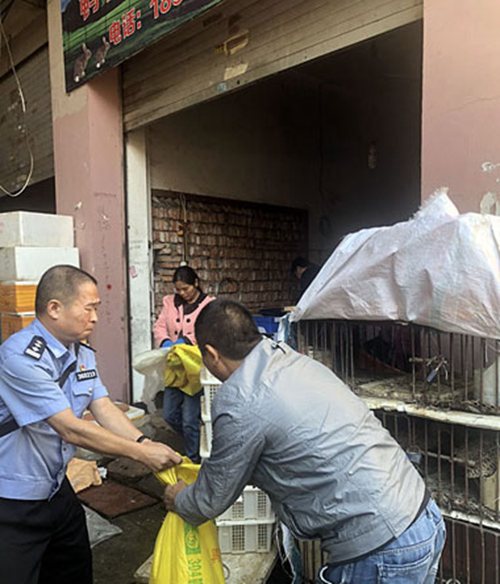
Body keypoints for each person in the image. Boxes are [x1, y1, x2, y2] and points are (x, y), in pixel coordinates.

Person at [164, 299, 446, 584]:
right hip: (422, 516)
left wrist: (179, 498)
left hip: (381, 549)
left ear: (211, 354)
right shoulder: (289, 360)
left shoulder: (239, 399)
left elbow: (210, 500)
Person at [0, 265, 181, 584]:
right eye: (90, 309)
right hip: (15, 499)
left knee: (75, 568)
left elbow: (103, 407)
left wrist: (144, 443)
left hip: (56, 487)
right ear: (55, 308)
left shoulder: (81, 353)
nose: (95, 318)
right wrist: (140, 456)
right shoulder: (20, 357)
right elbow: (70, 428)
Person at [153, 266, 215, 463]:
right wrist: (164, 341)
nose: (182, 293)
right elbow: (160, 325)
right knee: (170, 414)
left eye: (186, 289)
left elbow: (209, 329)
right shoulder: (170, 302)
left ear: (195, 283)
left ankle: (193, 459)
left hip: (195, 368)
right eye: (178, 289)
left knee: (190, 419)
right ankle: (196, 440)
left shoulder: (208, 305)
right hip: (174, 367)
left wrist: (188, 341)